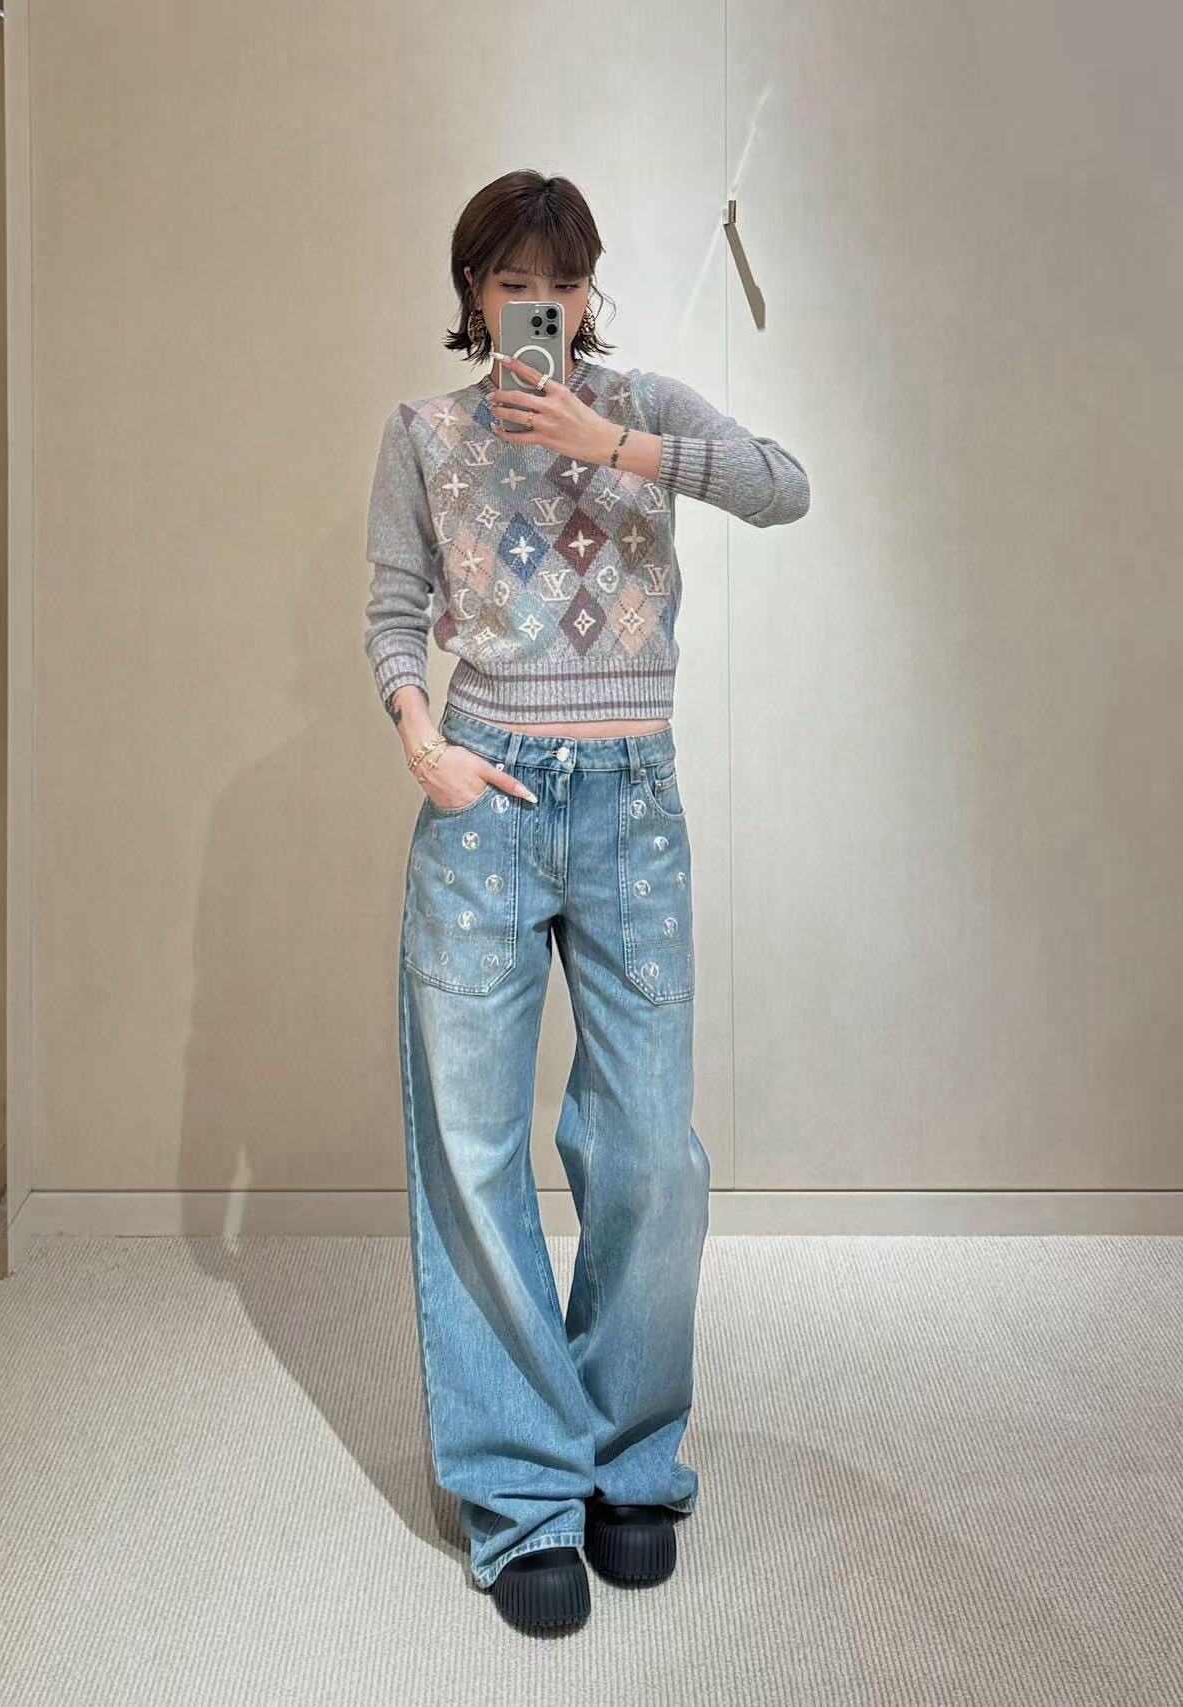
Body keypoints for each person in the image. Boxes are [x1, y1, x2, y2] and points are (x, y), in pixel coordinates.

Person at [362, 170, 810, 1635]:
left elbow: (784, 485)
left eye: (561, 282)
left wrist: (612, 444)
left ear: (588, 289)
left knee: (647, 1153)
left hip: (630, 806)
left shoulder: (644, 406)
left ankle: (628, 1459)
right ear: (473, 293)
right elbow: (393, 613)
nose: (538, 306)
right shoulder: (424, 434)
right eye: (512, 283)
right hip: (483, 799)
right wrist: (424, 745)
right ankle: (520, 1491)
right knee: (473, 1144)